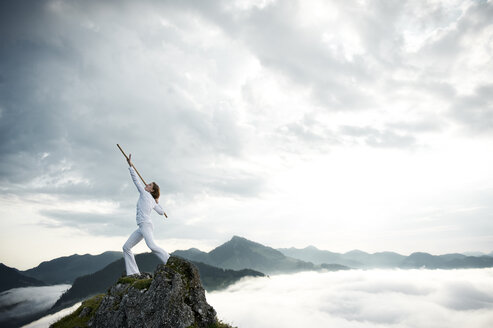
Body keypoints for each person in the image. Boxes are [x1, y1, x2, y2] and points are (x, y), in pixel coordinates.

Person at [122, 153, 170, 276]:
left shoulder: (145, 195)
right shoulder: (152, 200)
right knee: (126, 247)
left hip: (146, 225)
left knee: (152, 246)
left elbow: (135, 180)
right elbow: (161, 212)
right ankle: (133, 273)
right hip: (142, 226)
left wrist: (131, 166)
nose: (146, 185)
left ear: (151, 190)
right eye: (148, 184)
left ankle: (170, 260)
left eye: (149, 185)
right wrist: (157, 202)